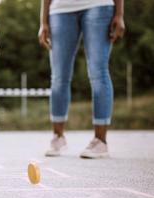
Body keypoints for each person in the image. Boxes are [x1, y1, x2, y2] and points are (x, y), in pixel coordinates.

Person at [38, 0, 125, 158]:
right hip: (60, 9)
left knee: (98, 73)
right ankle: (58, 137)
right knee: (59, 77)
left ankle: (100, 141)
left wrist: (119, 14)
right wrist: (43, 22)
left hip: (98, 5)